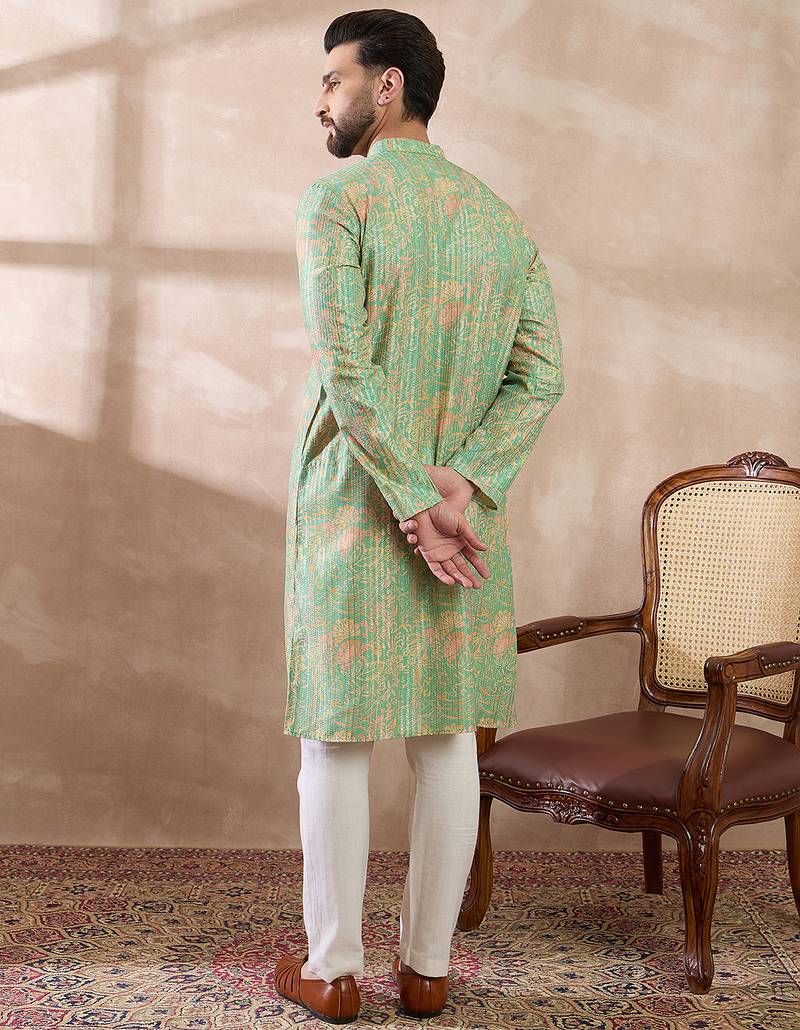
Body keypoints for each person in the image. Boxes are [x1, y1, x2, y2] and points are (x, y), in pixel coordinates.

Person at [274, 8, 565, 1023]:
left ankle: (332, 969)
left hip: (355, 511)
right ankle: (428, 971)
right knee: (447, 739)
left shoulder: (337, 200)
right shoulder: (499, 221)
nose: (321, 100)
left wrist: (407, 497)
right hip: (460, 530)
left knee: (335, 740)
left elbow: (345, 371)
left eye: (333, 79)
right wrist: (461, 488)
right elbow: (540, 378)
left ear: (386, 84)